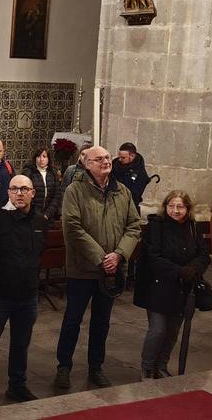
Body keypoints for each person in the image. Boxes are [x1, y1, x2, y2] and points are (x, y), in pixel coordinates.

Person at [53, 145, 142, 390]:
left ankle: (96, 367)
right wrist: (101, 257)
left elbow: (134, 225)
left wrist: (120, 254)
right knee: (73, 319)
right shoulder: (75, 191)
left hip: (111, 271)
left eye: (107, 158)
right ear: (86, 164)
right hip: (83, 269)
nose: (105, 162)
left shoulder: (122, 192)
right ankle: (63, 366)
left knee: (101, 322)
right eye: (98, 159)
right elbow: (72, 227)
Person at [0, 176, 46, 408]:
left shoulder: (40, 221)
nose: (19, 193)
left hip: (28, 295)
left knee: (21, 343)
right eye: (14, 189)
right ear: (9, 193)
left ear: (33, 193)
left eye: (24, 189)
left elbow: (38, 254)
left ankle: (17, 385)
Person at [134, 190, 209, 380]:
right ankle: (147, 367)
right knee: (158, 330)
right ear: (165, 207)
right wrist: (178, 270)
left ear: (187, 209)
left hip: (182, 288)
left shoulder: (192, 227)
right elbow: (153, 257)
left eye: (180, 207)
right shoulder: (156, 227)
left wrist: (193, 268)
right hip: (158, 287)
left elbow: (203, 254)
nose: (175, 210)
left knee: (173, 331)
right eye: (171, 206)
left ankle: (161, 365)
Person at [25, 146, 62, 224]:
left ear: (48, 159)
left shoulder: (53, 173)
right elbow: (26, 195)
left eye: (44, 156)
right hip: (32, 215)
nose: (41, 159)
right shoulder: (28, 172)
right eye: (38, 156)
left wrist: (48, 214)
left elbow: (57, 195)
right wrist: (37, 214)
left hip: (49, 216)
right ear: (35, 158)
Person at [113, 142, 151, 207]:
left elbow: (135, 194)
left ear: (132, 156)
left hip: (129, 205)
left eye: (123, 157)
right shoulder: (115, 164)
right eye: (119, 156)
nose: (120, 159)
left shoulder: (140, 172)